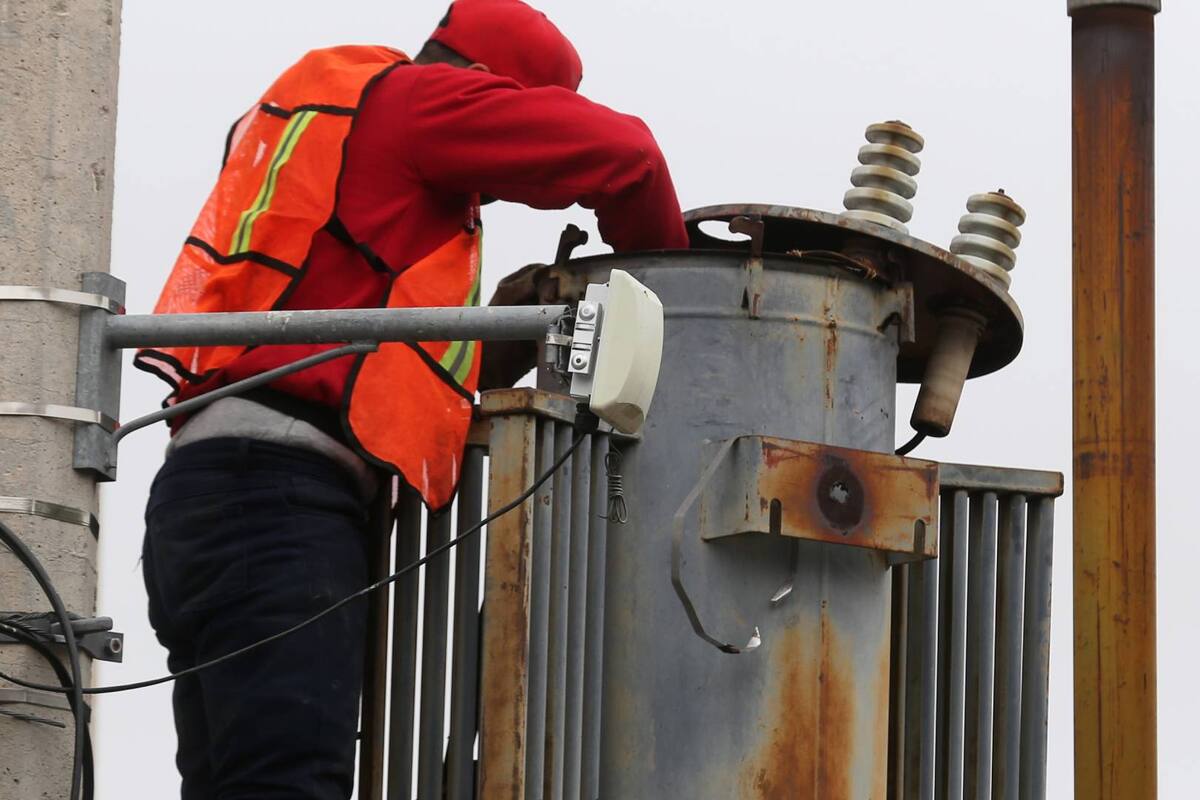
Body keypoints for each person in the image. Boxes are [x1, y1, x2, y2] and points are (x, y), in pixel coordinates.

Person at [134, 1, 687, 797]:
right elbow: (629, 157)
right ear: (494, 94)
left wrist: (499, 342)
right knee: (290, 782)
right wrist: (670, 301)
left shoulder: (337, 123)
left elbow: (371, 372)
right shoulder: (415, 105)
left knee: (238, 781)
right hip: (278, 502)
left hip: (211, 496)